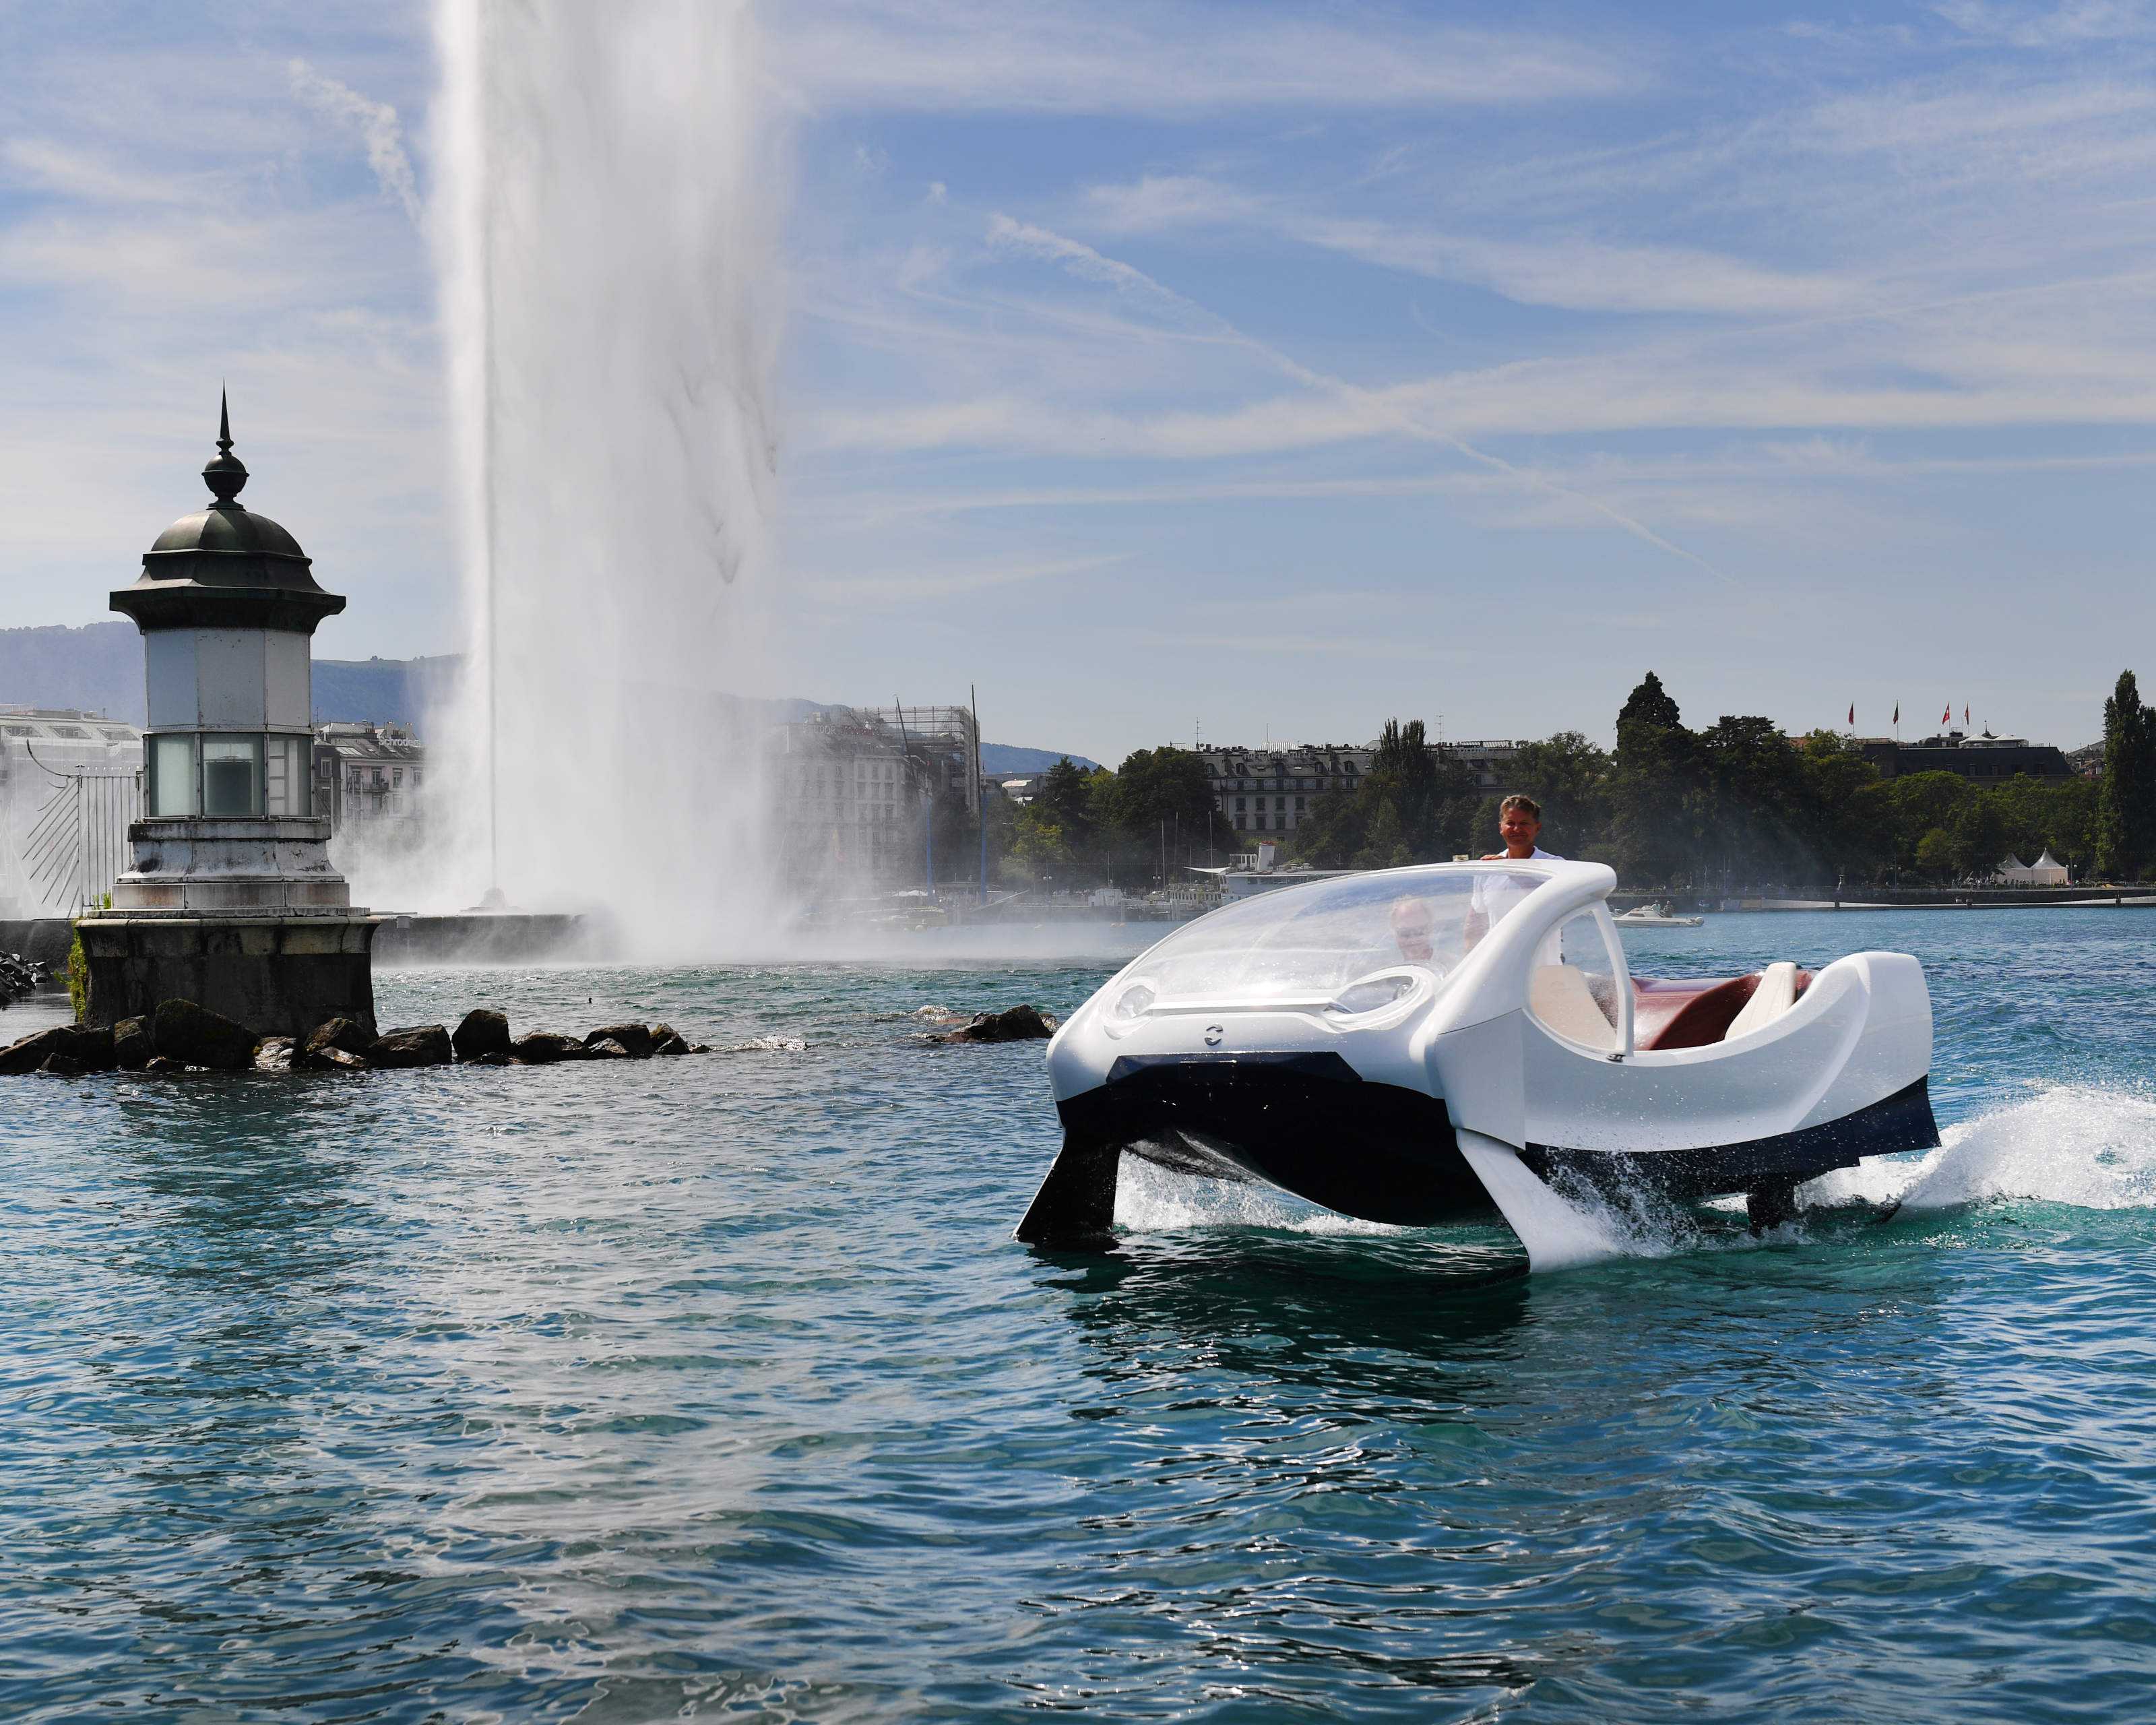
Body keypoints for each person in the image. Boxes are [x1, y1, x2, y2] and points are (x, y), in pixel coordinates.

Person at [1464, 794, 1562, 948]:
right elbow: (1475, 923)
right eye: (1510, 823)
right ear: (1501, 828)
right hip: (1500, 966)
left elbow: (1561, 909)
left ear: (1537, 828)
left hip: (1543, 967)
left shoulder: (1555, 867)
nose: (1517, 829)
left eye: (1524, 823)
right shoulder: (1488, 869)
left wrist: (1510, 870)